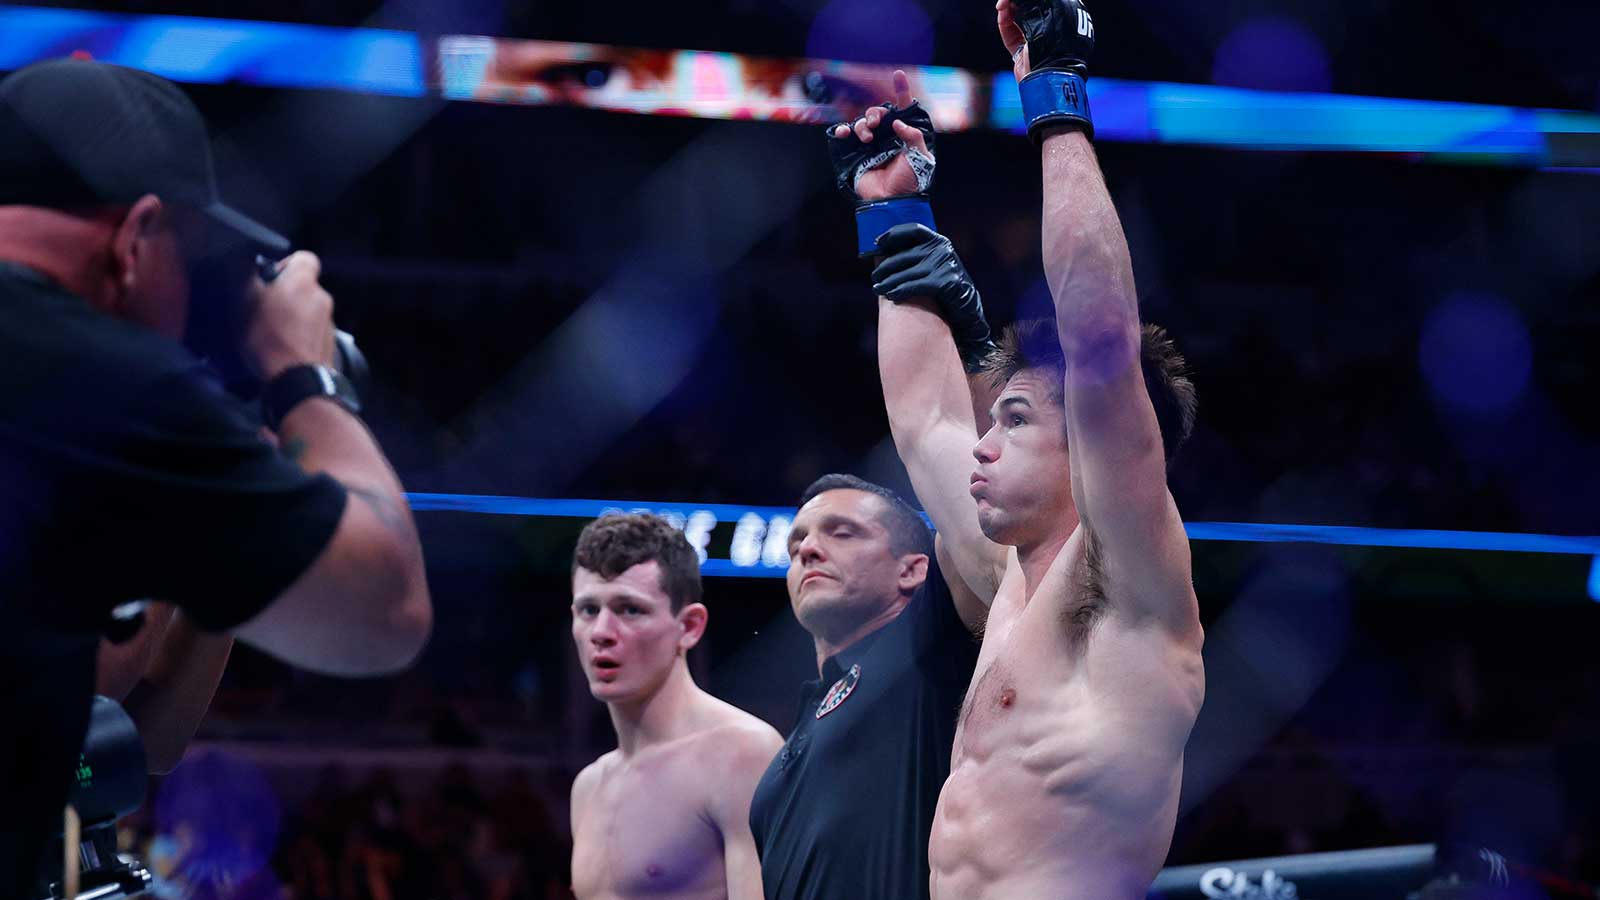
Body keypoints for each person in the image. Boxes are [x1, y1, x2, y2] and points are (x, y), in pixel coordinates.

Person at [0, 57, 432, 895]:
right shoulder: (85, 372)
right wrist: (304, 378)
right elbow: (384, 610)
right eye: (192, 267)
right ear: (134, 240)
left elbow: (123, 719)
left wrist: (234, 485)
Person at [854, 1, 1206, 894]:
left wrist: (1052, 91)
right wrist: (891, 213)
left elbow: (1097, 340)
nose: (981, 447)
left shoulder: (1127, 579)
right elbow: (923, 423)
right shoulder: (1011, 584)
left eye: (1012, 421)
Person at [748, 474, 981, 900]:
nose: (807, 550)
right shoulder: (803, 724)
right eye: (795, 544)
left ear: (913, 569)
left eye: (841, 533)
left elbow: (973, 521)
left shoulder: (925, 646)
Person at [567, 513, 782, 900]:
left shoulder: (742, 754)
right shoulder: (589, 786)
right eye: (588, 610)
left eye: (630, 609)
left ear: (690, 627)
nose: (601, 633)